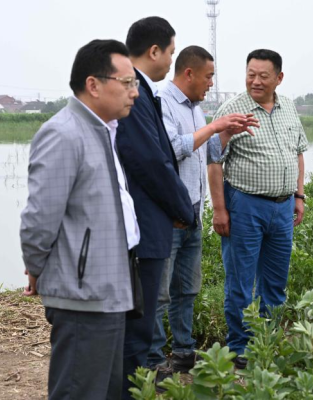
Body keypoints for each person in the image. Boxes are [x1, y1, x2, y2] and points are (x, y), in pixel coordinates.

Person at [20, 39, 140, 400]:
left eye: (135, 83)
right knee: (79, 391)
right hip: (82, 292)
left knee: (104, 390)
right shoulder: (64, 133)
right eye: (127, 82)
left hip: (108, 288)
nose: (134, 92)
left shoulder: (103, 130)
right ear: (94, 85)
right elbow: (39, 218)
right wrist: (37, 268)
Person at [147, 45, 258, 373]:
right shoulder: (162, 103)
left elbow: (208, 153)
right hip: (167, 216)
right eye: (208, 77)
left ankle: (183, 352)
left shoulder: (195, 109)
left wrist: (225, 133)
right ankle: (154, 361)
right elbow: (173, 149)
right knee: (160, 294)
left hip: (192, 213)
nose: (211, 83)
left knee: (187, 289)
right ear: (189, 73)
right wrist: (214, 126)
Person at [207, 49, 308, 367]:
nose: (256, 81)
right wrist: (219, 209)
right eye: (251, 74)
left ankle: (267, 341)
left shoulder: (288, 107)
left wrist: (299, 195)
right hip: (245, 206)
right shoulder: (232, 109)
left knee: (275, 282)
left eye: (264, 76)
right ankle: (240, 347)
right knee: (240, 281)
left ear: (279, 78)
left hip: (283, 207)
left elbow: (298, 153)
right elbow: (213, 159)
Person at [115, 17, 194, 397]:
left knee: (140, 322)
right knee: (138, 324)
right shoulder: (133, 92)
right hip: (144, 225)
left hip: (147, 222)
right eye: (171, 53)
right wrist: (184, 209)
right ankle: (129, 389)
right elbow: (151, 161)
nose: (171, 61)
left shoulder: (141, 90)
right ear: (154, 51)